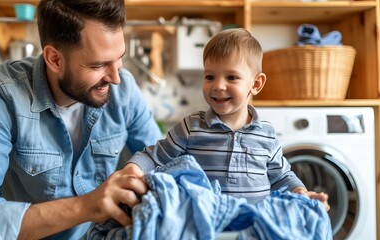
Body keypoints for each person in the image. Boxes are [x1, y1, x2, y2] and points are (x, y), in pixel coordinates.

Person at [0, 0, 162, 239]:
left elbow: (162, 160)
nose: (116, 78)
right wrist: (86, 206)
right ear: (54, 59)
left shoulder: (124, 91)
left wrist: (140, 169)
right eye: (99, 64)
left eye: (119, 58)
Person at [127, 28, 330, 210]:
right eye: (209, 77)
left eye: (231, 77)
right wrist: (132, 169)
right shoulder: (191, 127)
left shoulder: (266, 135)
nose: (218, 86)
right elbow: (153, 157)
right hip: (206, 227)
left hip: (252, 229)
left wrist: (302, 192)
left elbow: (282, 177)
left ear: (256, 84)